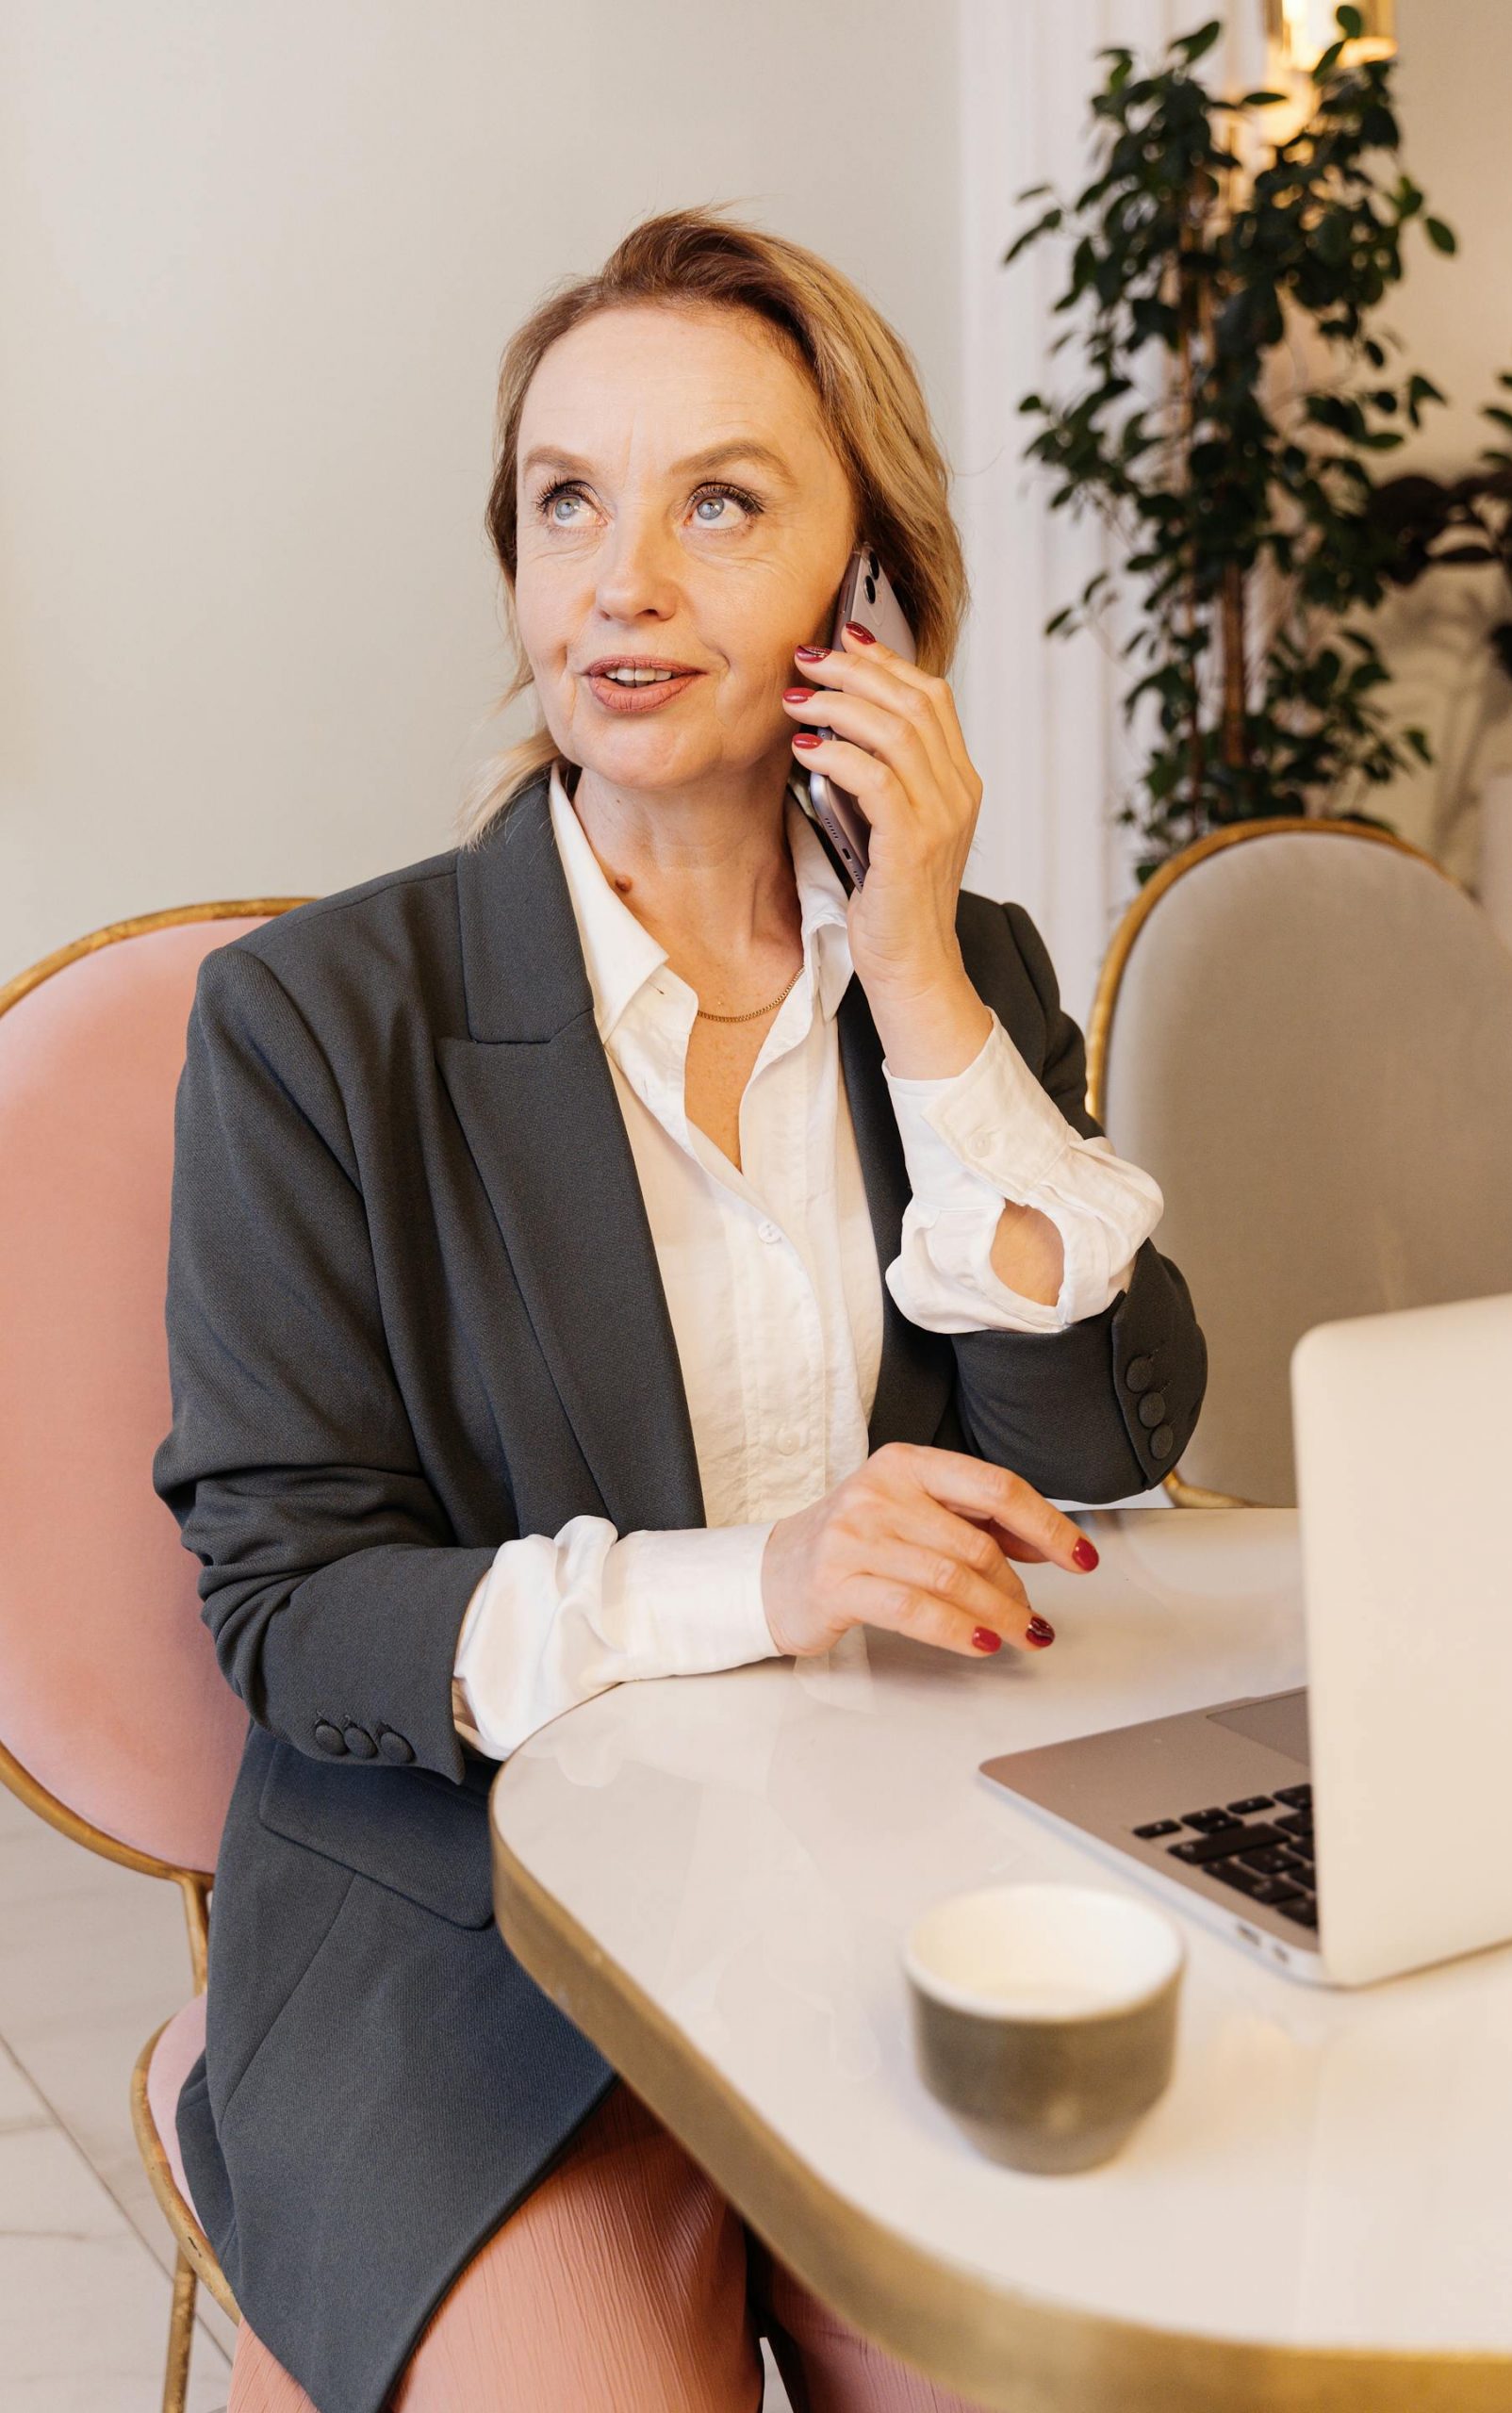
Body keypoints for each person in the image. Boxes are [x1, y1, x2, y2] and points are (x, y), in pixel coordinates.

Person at [154, 204, 1207, 2413]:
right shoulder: (316, 1021)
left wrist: (916, 971)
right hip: (475, 1945)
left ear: (865, 602)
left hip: (907, 1886)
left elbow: (1100, 1436)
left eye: (716, 502)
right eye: (566, 503)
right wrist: (773, 1577)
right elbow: (294, 1611)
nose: (618, 579)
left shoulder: (962, 968)